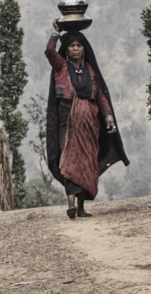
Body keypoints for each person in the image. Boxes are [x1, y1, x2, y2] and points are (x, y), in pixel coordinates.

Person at [45, 17, 129, 218]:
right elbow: (49, 51)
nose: (75, 49)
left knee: (88, 160)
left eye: (79, 45)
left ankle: (81, 207)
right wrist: (56, 32)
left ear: (84, 49)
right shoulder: (61, 67)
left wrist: (108, 119)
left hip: (90, 122)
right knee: (70, 159)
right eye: (72, 45)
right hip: (69, 121)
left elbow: (100, 96)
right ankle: (71, 203)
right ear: (66, 49)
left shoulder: (90, 71)